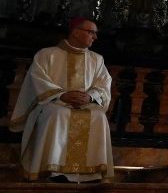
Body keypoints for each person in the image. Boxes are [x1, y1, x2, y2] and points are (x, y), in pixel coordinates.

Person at [10, 17, 113, 182]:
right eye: (91, 32)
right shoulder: (46, 54)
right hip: (53, 102)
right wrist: (61, 95)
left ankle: (91, 173)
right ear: (76, 32)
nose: (95, 37)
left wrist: (90, 96)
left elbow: (103, 83)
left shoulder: (97, 59)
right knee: (57, 114)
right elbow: (37, 80)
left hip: (85, 103)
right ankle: (53, 170)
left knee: (98, 116)